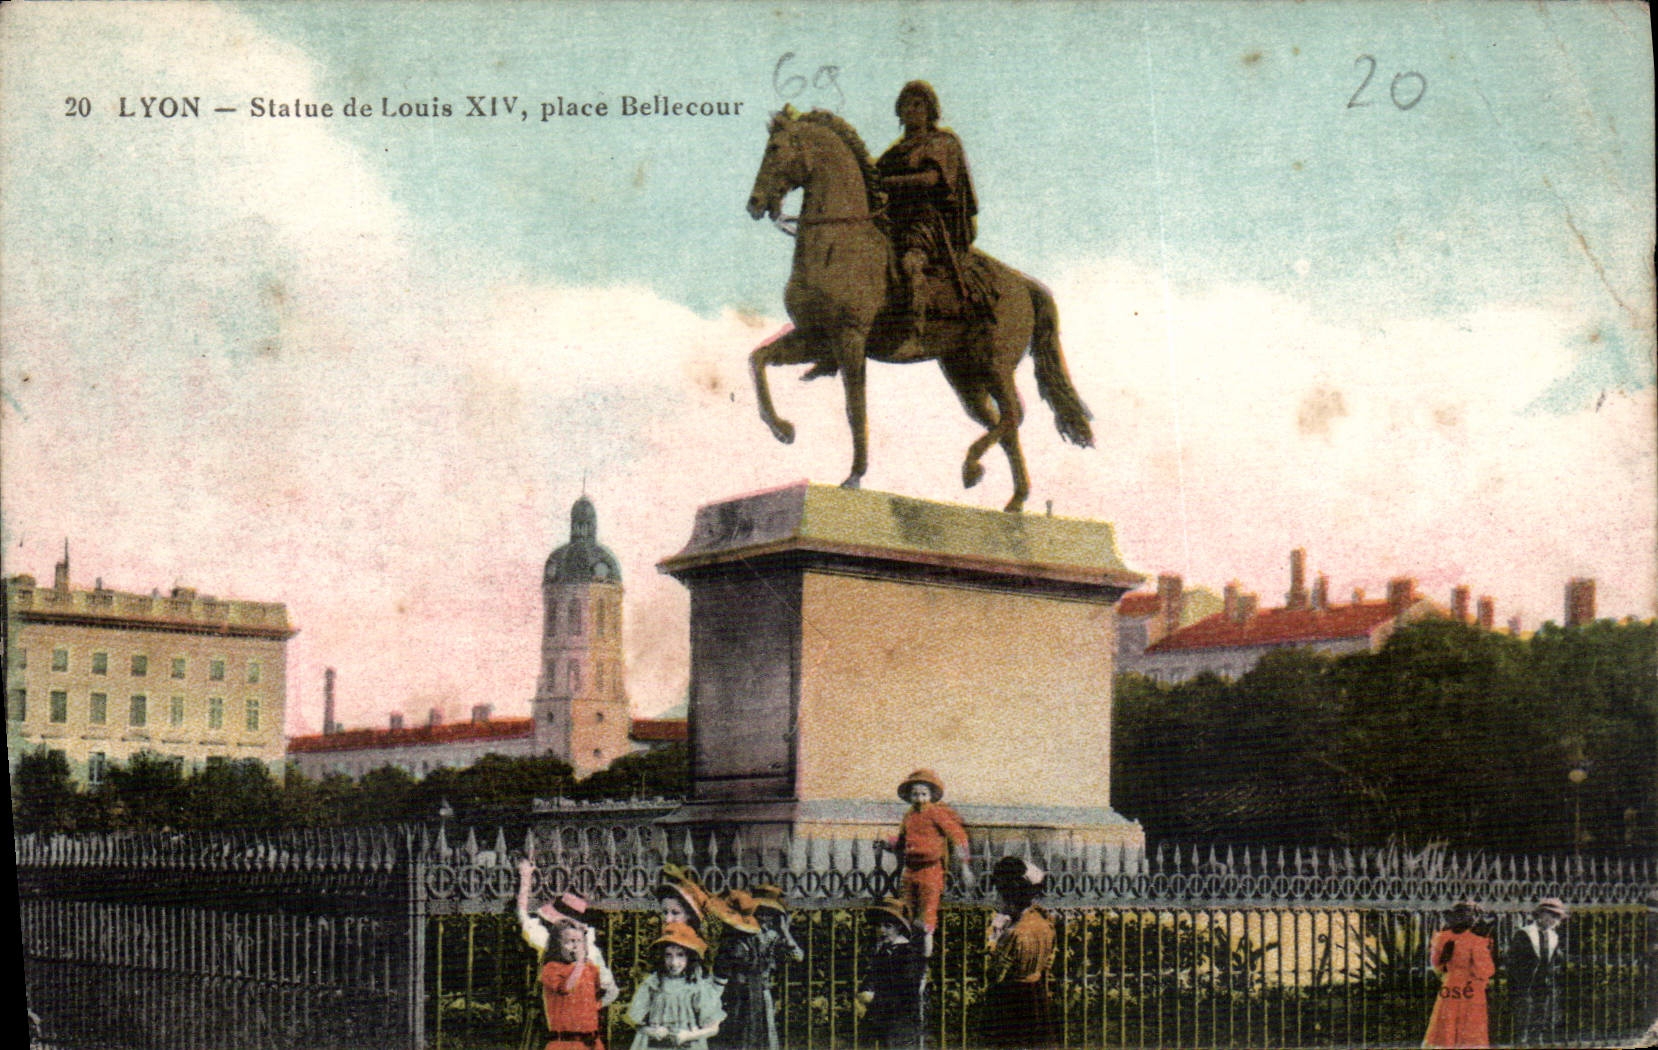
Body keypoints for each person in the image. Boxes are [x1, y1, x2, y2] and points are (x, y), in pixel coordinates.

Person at [875, 80, 985, 339]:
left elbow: (931, 179)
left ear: (930, 111)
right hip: (894, 219)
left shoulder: (942, 142)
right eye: (906, 105)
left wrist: (887, 183)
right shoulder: (893, 154)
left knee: (911, 262)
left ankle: (915, 323)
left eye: (918, 105)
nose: (911, 110)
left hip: (927, 221)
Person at [876, 768, 974, 957]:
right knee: (907, 917)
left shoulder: (936, 813)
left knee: (926, 922)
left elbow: (958, 836)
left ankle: (924, 963)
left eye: (923, 794)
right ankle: (908, 960)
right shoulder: (909, 816)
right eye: (915, 794)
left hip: (931, 871)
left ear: (930, 795)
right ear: (909, 796)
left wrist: (965, 866)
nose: (919, 799)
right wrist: (887, 845)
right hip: (910, 872)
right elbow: (902, 842)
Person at [518, 859, 621, 1006]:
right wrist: (593, 1007)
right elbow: (612, 991)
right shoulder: (591, 951)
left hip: (551, 1008)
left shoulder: (546, 942)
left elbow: (523, 916)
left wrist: (525, 878)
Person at [981, 856, 1055, 1048]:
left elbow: (995, 973)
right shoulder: (1044, 922)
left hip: (1012, 998)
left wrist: (993, 939)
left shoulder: (1014, 933)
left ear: (1009, 895)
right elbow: (1048, 961)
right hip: (1037, 994)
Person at [627, 922, 725, 1050]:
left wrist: (689, 1035)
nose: (674, 963)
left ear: (689, 957)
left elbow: (713, 1028)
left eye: (680, 955)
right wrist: (652, 1031)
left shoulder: (697, 986)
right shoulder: (653, 983)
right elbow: (635, 1022)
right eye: (668, 955)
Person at [1423, 900, 1496, 1050]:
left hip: (1450, 986)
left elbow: (1436, 964)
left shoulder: (1441, 937)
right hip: (1471, 988)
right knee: (1470, 1030)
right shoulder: (1476, 941)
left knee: (1446, 1026)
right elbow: (1485, 970)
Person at [857, 897, 927, 1049]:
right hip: (883, 1020)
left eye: (887, 926)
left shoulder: (909, 954)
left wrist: (875, 997)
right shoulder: (883, 952)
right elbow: (871, 978)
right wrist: (866, 991)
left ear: (899, 928)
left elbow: (907, 990)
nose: (881, 930)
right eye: (879, 925)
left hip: (901, 1022)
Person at [708, 889, 771, 1050]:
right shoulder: (753, 940)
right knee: (750, 1035)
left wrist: (711, 999)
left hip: (735, 994)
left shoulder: (731, 944)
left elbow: (721, 975)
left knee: (734, 1036)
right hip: (753, 993)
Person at [538, 919, 610, 1050]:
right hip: (566, 1043)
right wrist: (579, 964)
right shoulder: (551, 968)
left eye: (579, 941)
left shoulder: (589, 968)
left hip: (591, 1043)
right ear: (557, 944)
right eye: (570, 941)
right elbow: (565, 988)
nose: (576, 946)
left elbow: (597, 994)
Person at [1506, 898, 1569, 1046]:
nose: (1554, 920)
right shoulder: (1524, 933)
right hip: (1525, 982)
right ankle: (1521, 1041)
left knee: (1540, 1013)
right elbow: (1513, 959)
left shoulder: (1553, 936)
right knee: (1524, 1013)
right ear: (1541, 914)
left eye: (1557, 917)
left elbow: (1554, 959)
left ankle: (1536, 1040)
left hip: (1543, 982)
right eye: (1552, 915)